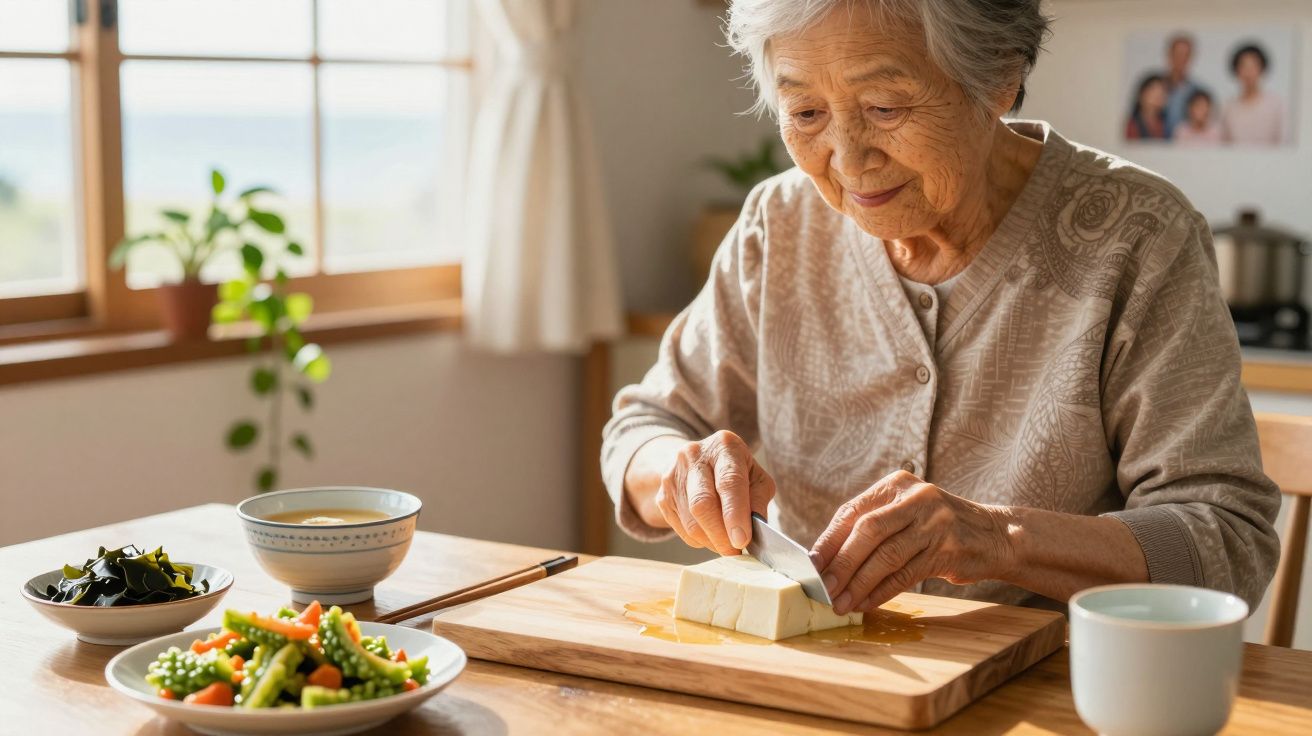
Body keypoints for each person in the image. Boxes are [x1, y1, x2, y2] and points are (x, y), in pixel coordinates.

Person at [601, 0, 1279, 616]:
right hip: (826, 683)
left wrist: (1002, 539)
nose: (847, 157)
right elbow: (643, 427)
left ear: (999, 82)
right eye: (806, 114)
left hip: (1047, 692)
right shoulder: (778, 225)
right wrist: (680, 470)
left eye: (886, 108)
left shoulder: (1139, 236)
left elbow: (1226, 540)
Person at [1222, 43, 1287, 146]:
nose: (1248, 72)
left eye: (1253, 66)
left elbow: (1283, 142)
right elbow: (1224, 144)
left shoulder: (1276, 103)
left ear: (1262, 69)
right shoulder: (1229, 107)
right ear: (1236, 70)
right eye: (1244, 66)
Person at [1161, 34, 1201, 137]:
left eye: (1185, 55)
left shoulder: (1197, 91)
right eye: (1177, 54)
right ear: (1169, 55)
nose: (1181, 59)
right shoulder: (1155, 88)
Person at [1125, 74, 1169, 141]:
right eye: (1153, 90)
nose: (1158, 95)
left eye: (1162, 91)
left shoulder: (1165, 123)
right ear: (1141, 93)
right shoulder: (1133, 124)